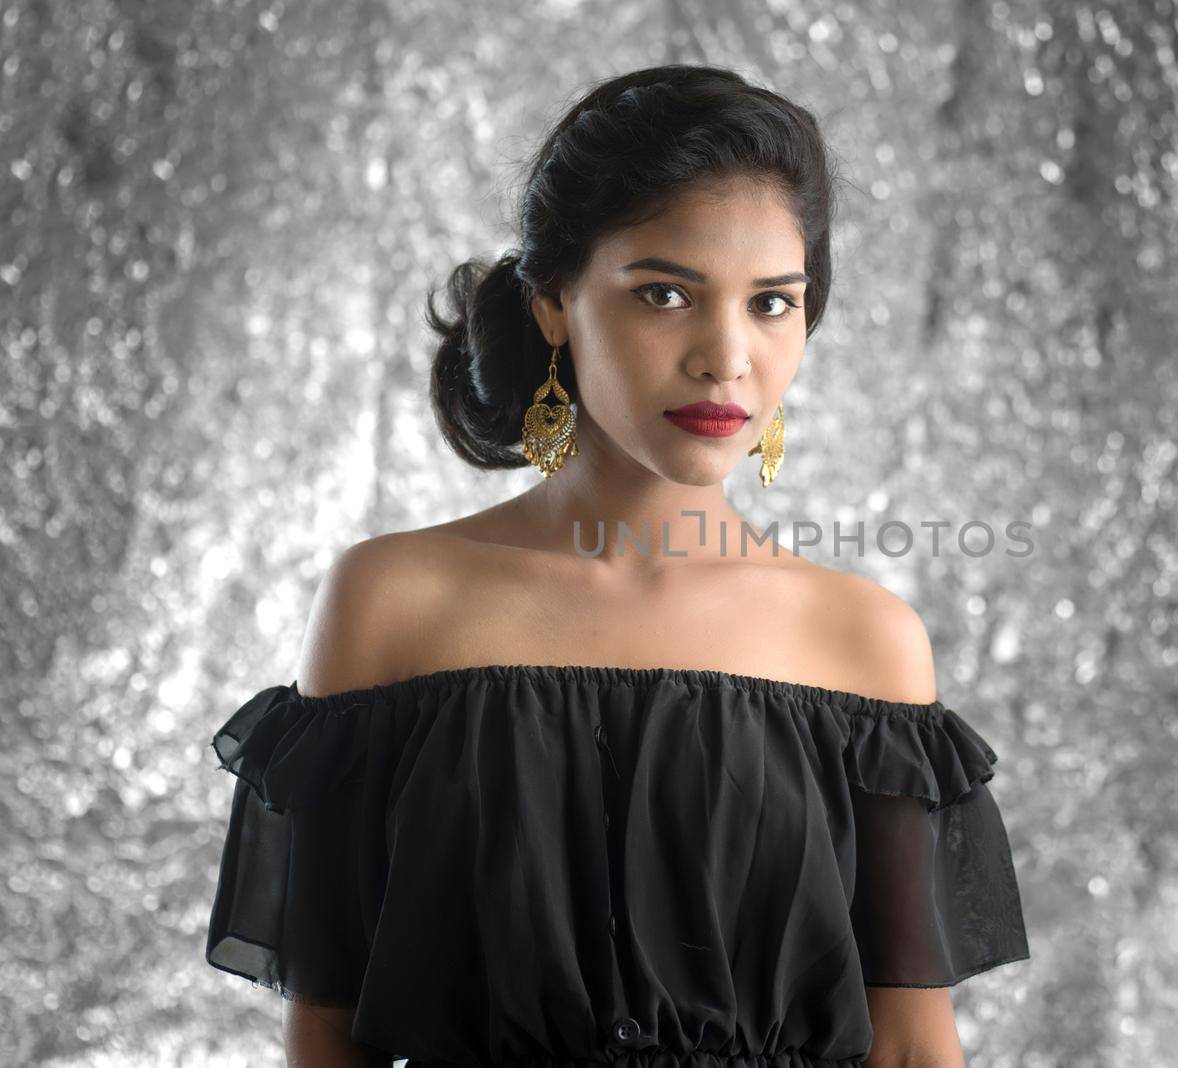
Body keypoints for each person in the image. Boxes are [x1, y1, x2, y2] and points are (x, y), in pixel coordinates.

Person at [204, 63, 1030, 1067]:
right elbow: (326, 1042)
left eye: (772, 303)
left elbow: (910, 1047)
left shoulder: (864, 643)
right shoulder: (393, 601)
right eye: (665, 293)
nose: (727, 356)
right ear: (554, 299)